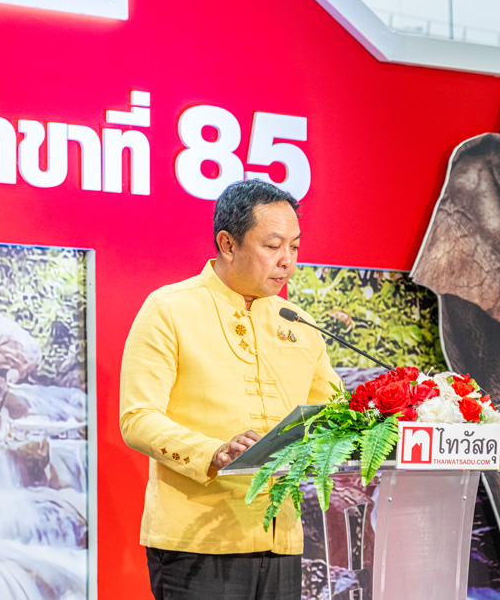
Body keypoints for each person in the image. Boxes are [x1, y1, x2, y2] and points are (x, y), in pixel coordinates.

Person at [119, 179, 340, 600]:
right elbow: (137, 418)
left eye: (294, 246)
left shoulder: (298, 322)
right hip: (198, 544)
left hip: (281, 541)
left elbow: (332, 412)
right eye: (273, 246)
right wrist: (213, 453)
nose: (287, 262)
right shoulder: (169, 308)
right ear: (228, 243)